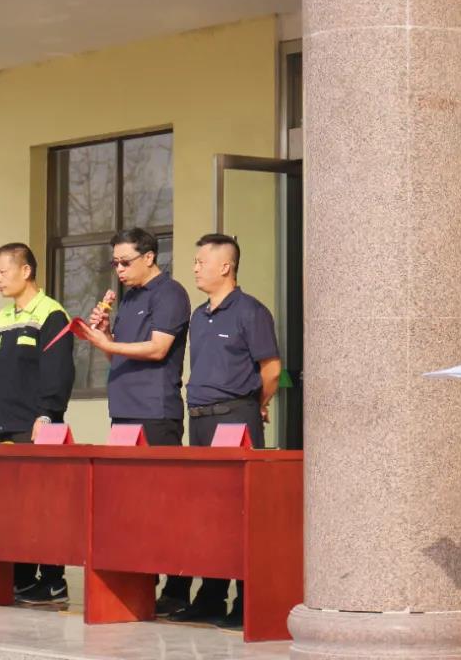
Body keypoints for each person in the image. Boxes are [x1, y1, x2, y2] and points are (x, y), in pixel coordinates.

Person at [170, 233, 281, 629]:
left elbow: (271, 370)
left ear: (226, 266)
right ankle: (210, 596)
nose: (195, 268)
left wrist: (256, 404)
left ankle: (246, 600)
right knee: (208, 512)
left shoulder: (251, 311)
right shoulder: (200, 316)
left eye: (202, 262)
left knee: (240, 511)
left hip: (234, 417)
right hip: (199, 420)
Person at [83, 228, 193, 616]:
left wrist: (107, 343)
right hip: (124, 412)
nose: (119, 270)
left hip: (155, 413)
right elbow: (120, 356)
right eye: (114, 263)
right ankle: (138, 581)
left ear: (149, 257)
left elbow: (159, 348)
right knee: (128, 505)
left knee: (164, 504)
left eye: (125, 262)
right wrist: (106, 334)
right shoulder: (129, 297)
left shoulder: (170, 293)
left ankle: (177, 587)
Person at [0, 243, 75, 604]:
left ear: (26, 271)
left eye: (2, 271)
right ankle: (21, 575)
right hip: (4, 427)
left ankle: (53, 580)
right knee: (12, 507)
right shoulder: (3, 316)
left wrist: (47, 414)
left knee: (43, 506)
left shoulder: (51, 313)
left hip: (37, 426)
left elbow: (58, 372)